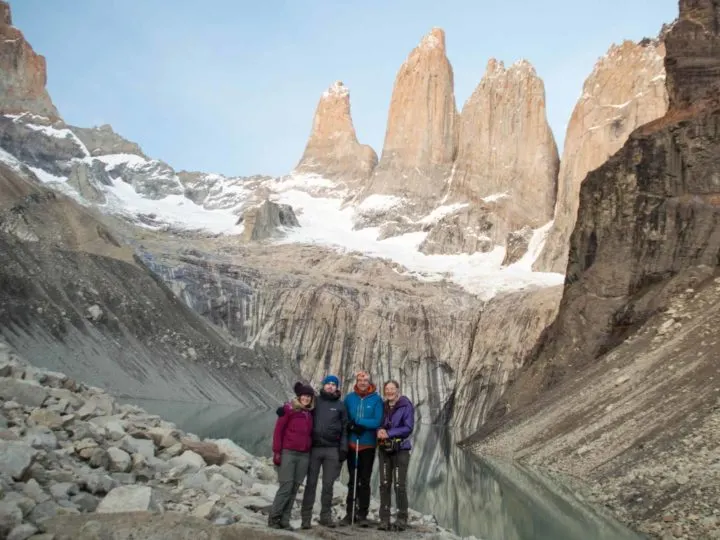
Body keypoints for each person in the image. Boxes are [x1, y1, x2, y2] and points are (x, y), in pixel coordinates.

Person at [300, 374, 348, 529]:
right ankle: (306, 518)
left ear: (337, 387)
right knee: (311, 484)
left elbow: (345, 428)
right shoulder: (316, 401)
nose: (331, 386)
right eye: (329, 383)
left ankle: (325, 517)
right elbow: (301, 408)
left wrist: (343, 448)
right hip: (314, 448)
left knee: (328, 484)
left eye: (334, 384)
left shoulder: (340, 406)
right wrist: (286, 409)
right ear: (324, 385)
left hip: (332, 449)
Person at [268, 381, 315, 530]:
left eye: (309, 396)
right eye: (304, 396)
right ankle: (274, 519)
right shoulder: (288, 409)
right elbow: (278, 431)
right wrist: (277, 452)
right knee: (286, 486)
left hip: (304, 455)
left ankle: (285, 521)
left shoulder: (309, 413)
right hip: (288, 453)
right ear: (299, 396)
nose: (306, 398)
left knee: (294, 488)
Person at [340, 370, 383, 527]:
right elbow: (344, 418)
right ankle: (349, 513)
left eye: (365, 380)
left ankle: (363, 514)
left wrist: (359, 421)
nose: (362, 383)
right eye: (360, 380)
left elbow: (377, 421)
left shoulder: (377, 399)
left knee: (364, 480)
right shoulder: (350, 398)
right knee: (353, 480)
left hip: (368, 445)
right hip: (353, 445)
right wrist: (350, 425)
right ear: (356, 382)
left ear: (369, 382)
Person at [376, 380, 414, 531]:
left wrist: (389, 433)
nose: (390, 391)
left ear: (398, 390)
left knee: (399, 485)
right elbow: (378, 423)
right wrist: (379, 430)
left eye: (392, 389)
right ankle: (384, 518)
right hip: (384, 449)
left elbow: (408, 427)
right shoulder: (383, 406)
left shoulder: (406, 405)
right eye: (387, 389)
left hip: (401, 449)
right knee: (385, 484)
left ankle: (401, 518)